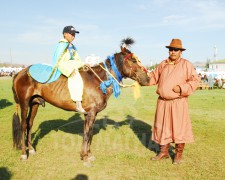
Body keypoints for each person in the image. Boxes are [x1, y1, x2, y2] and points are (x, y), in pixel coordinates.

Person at [148, 39, 200, 164]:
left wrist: (181, 88)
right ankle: (163, 152)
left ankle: (178, 155)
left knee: (179, 128)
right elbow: (153, 77)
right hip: (163, 102)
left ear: (181, 52)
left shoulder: (186, 65)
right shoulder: (163, 64)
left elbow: (195, 81)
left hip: (178, 102)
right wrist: (140, 78)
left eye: (175, 49)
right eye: (171, 49)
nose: (172, 52)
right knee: (162, 127)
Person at [52, 25, 87, 114]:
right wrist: (68, 71)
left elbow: (77, 59)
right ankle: (78, 104)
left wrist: (83, 64)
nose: (73, 36)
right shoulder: (61, 45)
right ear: (65, 34)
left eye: (74, 34)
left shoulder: (72, 46)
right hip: (65, 65)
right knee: (76, 78)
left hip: (73, 64)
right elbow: (58, 61)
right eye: (71, 34)